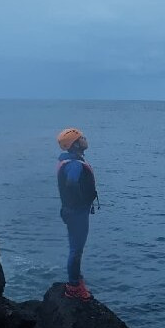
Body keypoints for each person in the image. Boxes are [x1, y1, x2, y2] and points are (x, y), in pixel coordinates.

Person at [56, 127, 99, 300]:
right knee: (76, 250)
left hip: (71, 211)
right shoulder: (74, 164)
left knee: (76, 248)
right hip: (76, 212)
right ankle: (73, 286)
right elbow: (72, 182)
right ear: (74, 144)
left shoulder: (70, 160)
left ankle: (76, 279)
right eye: (81, 138)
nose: (85, 139)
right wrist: (81, 200)